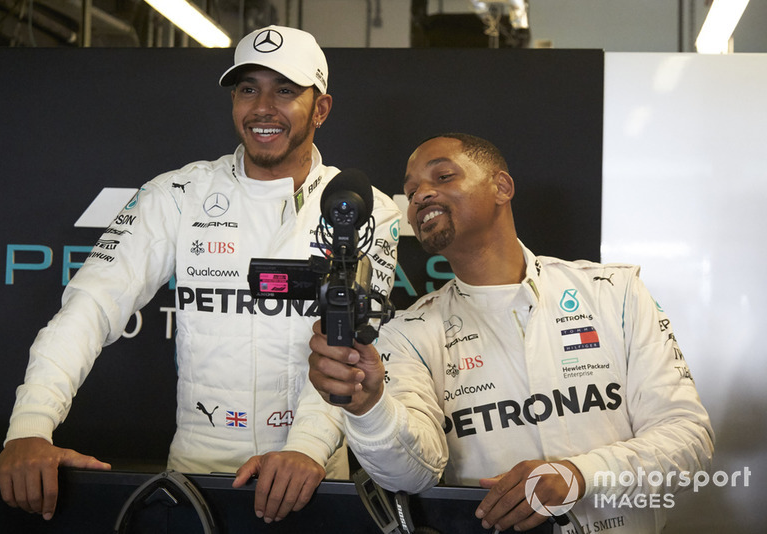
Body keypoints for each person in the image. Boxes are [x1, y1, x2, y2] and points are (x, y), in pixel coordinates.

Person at [0, 25, 401, 524]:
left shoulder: (366, 211)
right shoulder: (177, 193)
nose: (262, 107)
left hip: (312, 481)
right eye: (247, 89)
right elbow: (90, 306)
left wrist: (307, 448)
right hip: (195, 475)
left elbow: (349, 350)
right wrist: (30, 426)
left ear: (321, 108)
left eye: (286, 90)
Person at [303, 133, 714, 532]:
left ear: (501, 186)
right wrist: (370, 407)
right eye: (410, 193)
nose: (420, 197)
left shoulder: (616, 292)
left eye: (442, 177)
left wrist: (580, 476)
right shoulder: (408, 332)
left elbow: (687, 435)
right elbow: (413, 475)